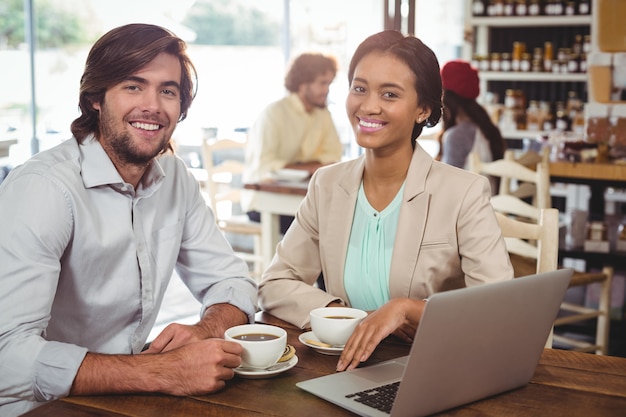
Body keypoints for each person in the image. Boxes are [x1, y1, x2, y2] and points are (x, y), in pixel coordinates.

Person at [0, 24, 257, 416]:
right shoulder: (44, 189)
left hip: (125, 395)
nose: (153, 105)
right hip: (37, 405)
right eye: (133, 86)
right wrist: (161, 371)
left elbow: (234, 282)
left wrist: (204, 331)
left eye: (167, 91)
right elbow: (7, 357)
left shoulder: (175, 179)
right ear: (96, 99)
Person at [258, 31, 513, 372]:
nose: (368, 106)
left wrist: (410, 310)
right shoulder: (327, 184)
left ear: (423, 109)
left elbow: (500, 309)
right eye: (359, 88)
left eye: (389, 94)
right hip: (344, 366)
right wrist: (341, 314)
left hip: (435, 368)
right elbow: (275, 282)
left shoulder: (463, 192)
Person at [242, 52, 343, 232]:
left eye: (329, 83)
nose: (327, 90)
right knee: (322, 227)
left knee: (340, 220)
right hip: (261, 203)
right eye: (322, 83)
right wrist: (309, 168)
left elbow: (334, 155)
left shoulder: (323, 114)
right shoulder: (273, 114)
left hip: (303, 201)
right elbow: (265, 167)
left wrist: (301, 168)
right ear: (303, 84)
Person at [437, 59, 506, 193]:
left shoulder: (457, 135)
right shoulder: (485, 127)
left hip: (466, 211)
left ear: (445, 96)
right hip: (487, 206)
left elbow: (445, 189)